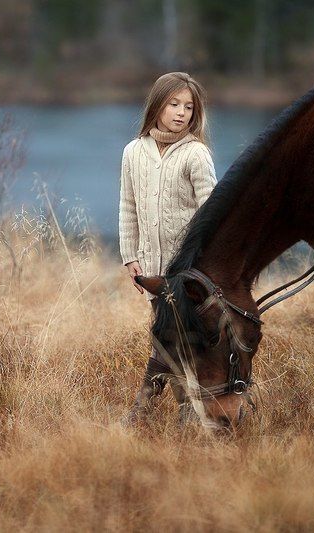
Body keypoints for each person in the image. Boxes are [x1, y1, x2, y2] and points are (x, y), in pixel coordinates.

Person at [118, 71, 217, 423]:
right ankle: (185, 410)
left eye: (189, 107)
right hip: (151, 267)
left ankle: (146, 410)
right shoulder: (134, 152)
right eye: (174, 104)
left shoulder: (195, 154)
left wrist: (201, 263)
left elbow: (212, 212)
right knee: (170, 336)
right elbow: (128, 206)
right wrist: (131, 255)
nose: (181, 112)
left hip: (187, 269)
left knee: (176, 336)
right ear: (157, 105)